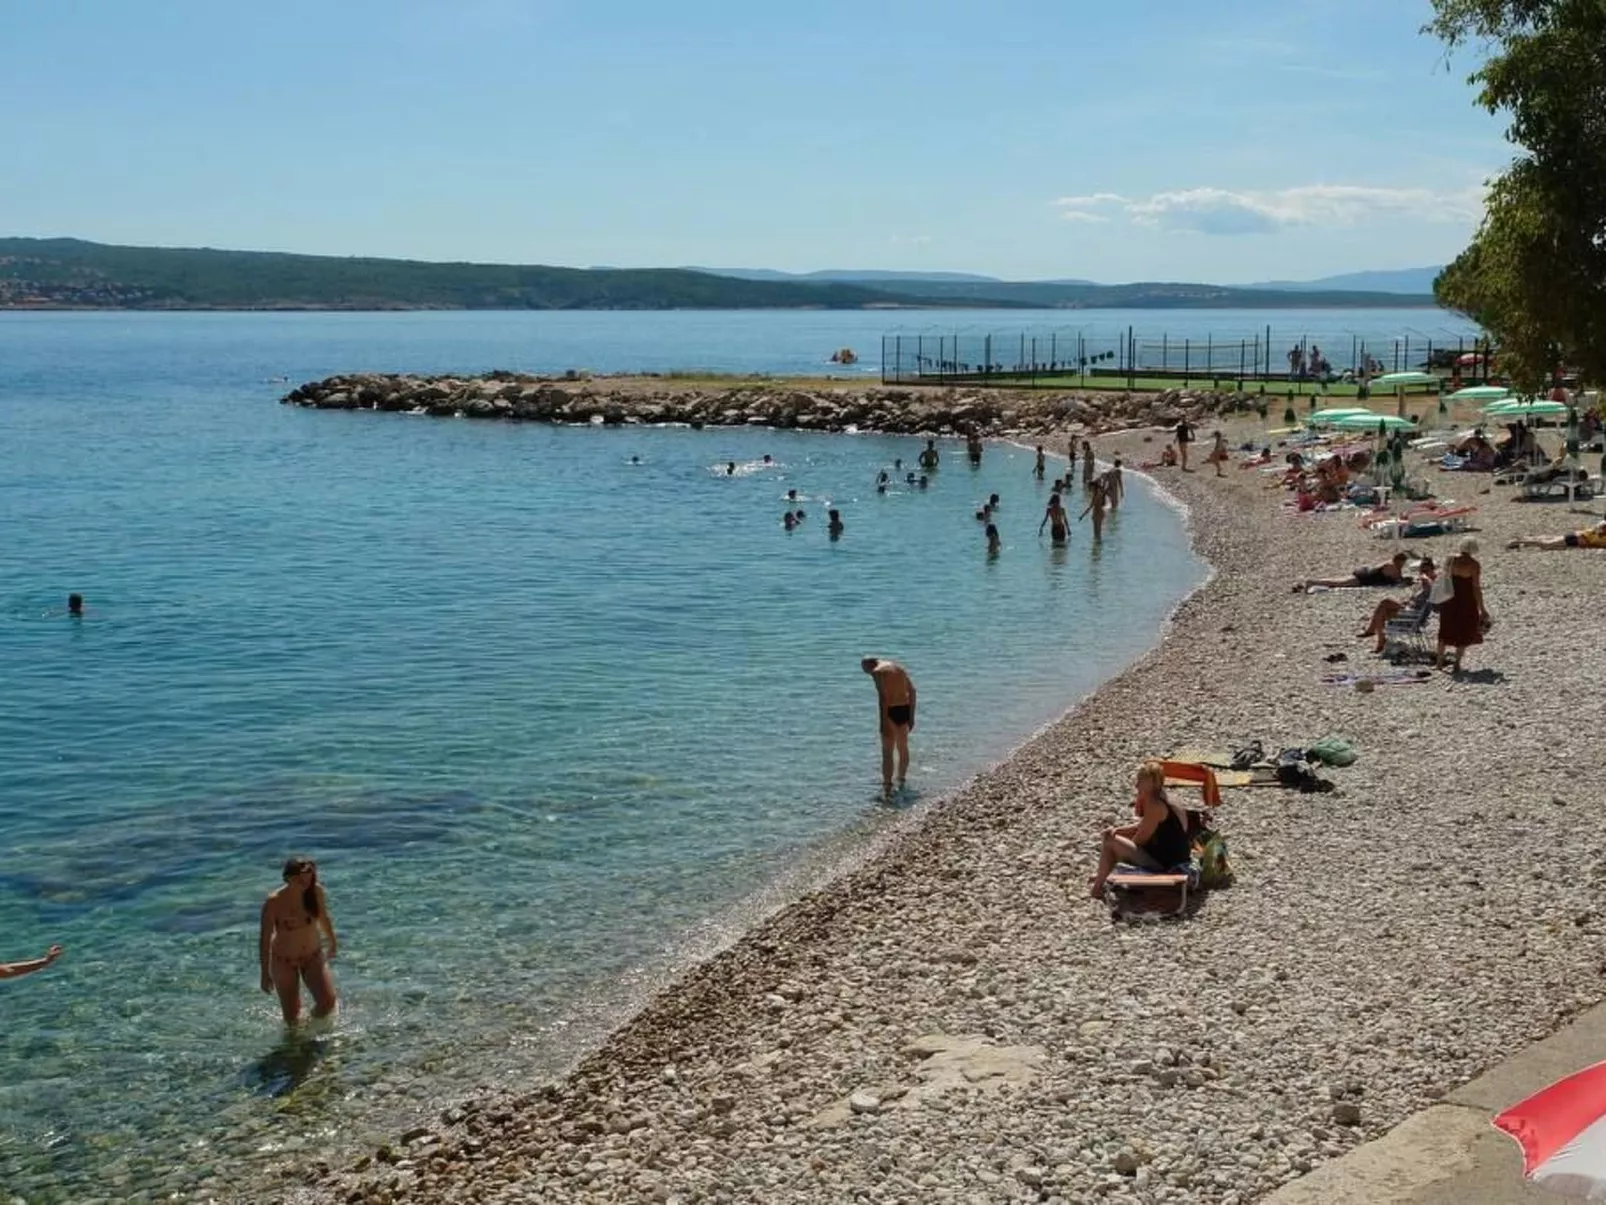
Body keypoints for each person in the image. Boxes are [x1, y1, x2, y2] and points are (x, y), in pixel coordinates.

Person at [1089, 761, 1193, 900]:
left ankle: (1097, 888)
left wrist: (1120, 848)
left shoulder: (1155, 805)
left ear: (1151, 783)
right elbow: (1144, 825)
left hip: (1166, 865)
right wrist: (1118, 830)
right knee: (1114, 837)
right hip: (1175, 858)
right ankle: (1103, 873)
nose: (1136, 785)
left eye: (1140, 781)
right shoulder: (1164, 797)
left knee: (1109, 841)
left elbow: (1140, 840)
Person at [260, 857, 339, 1025]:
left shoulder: (315, 892)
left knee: (327, 1002)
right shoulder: (274, 901)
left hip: (312, 956)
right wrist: (265, 973)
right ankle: (299, 1038)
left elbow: (324, 918)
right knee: (292, 1018)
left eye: (309, 876)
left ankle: (311, 1025)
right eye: (301, 877)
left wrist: (332, 941)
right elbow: (265, 939)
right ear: (288, 877)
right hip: (284, 961)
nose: (306, 881)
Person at [861, 657, 916, 797]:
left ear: (868, 665)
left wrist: (883, 722)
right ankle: (901, 779)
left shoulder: (877, 672)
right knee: (903, 748)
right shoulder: (898, 667)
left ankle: (887, 787)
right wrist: (911, 717)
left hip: (890, 711)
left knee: (887, 752)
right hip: (904, 709)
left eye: (864, 670)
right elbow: (912, 691)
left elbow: (883, 698)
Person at [1357, 558, 1436, 653]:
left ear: (1432, 571)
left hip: (1414, 614)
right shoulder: (1422, 583)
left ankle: (1373, 633)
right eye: (1421, 571)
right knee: (1382, 612)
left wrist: (1427, 581)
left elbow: (1432, 594)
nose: (1423, 573)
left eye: (1426, 571)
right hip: (1409, 610)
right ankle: (1380, 641)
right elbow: (1414, 599)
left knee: (1385, 602)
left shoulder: (1433, 583)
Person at [1435, 538, 1488, 672]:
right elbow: (1476, 587)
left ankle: (1439, 662)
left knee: (1445, 628)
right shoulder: (1474, 564)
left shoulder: (1450, 559)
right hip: (1466, 600)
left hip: (1449, 599)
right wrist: (1482, 608)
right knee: (1464, 629)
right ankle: (1457, 663)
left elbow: (1444, 577)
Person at [1296, 551, 1410, 592]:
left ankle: (1313, 582)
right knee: (1338, 583)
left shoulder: (1391, 564)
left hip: (1364, 573)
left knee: (1338, 581)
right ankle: (1312, 582)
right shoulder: (1392, 566)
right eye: (1403, 562)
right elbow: (1397, 579)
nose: (1404, 564)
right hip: (1364, 577)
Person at [1508, 520, 1606, 551]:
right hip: (1576, 538)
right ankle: (1518, 542)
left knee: (1550, 540)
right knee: (1546, 545)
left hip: (1577, 539)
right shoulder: (1603, 525)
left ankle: (1524, 540)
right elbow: (1597, 530)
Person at [1079, 474, 1109, 542]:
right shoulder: (1098, 492)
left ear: (1093, 487)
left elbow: (1090, 506)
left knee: (1097, 533)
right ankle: (1097, 546)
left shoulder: (1096, 494)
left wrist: (1082, 516)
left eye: (1089, 487)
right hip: (1097, 513)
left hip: (1098, 514)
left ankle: (1098, 545)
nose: (1088, 489)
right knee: (1097, 533)